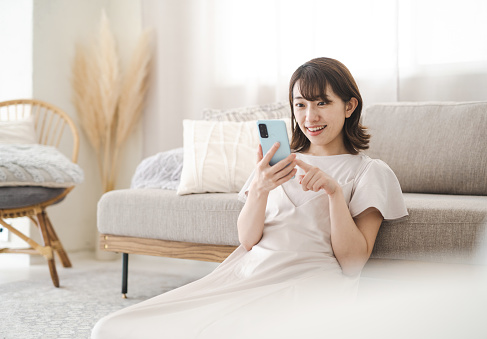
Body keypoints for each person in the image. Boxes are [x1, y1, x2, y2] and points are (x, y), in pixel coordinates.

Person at [92, 57, 408, 338]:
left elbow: (352, 264)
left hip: (311, 282)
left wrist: (334, 194)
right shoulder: (277, 163)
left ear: (349, 106)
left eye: (322, 103)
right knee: (111, 328)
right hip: (248, 273)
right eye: (300, 104)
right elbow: (247, 239)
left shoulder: (369, 172)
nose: (309, 116)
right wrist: (259, 187)